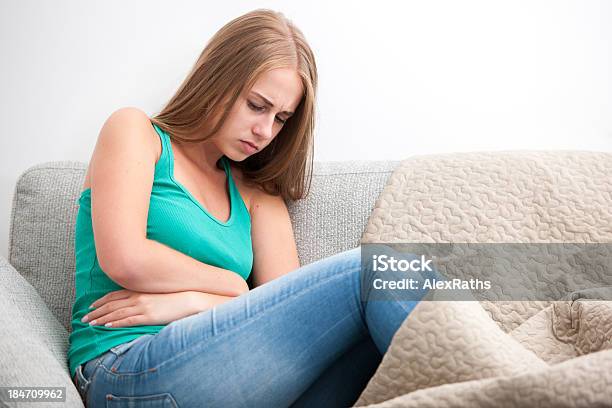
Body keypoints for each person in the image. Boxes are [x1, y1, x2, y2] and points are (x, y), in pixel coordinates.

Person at [68, 9, 426, 407]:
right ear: (217, 80)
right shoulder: (136, 133)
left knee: (377, 324)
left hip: (225, 383)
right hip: (125, 371)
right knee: (376, 271)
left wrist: (194, 300)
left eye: (281, 119)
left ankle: (489, 385)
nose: (266, 131)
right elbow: (126, 259)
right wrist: (232, 285)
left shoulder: (257, 192)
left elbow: (283, 314)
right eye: (257, 106)